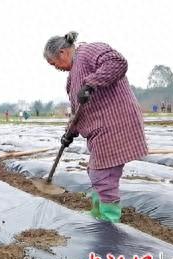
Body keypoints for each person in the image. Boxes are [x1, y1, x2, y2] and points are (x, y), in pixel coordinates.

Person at [43, 31, 148, 223]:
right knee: (96, 171)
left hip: (114, 123)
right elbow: (77, 109)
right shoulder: (71, 78)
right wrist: (70, 132)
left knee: (103, 173)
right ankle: (98, 213)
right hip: (99, 129)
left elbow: (117, 62)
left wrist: (91, 84)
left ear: (62, 52)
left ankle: (109, 219)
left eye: (54, 64)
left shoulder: (88, 51)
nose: (55, 68)